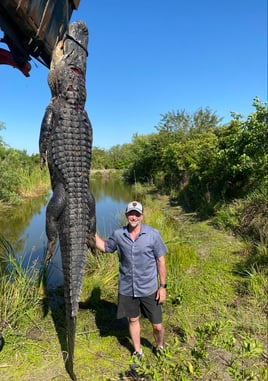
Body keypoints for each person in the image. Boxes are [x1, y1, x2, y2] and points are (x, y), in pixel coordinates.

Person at [95, 200, 168, 358]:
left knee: (157, 325)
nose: (133, 217)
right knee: (133, 320)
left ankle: (160, 346)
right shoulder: (118, 235)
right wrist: (90, 230)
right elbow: (105, 248)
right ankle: (137, 350)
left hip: (149, 288)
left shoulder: (153, 234)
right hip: (127, 288)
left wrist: (162, 287)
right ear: (126, 215)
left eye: (137, 214)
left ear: (142, 216)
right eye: (130, 214)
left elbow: (160, 261)